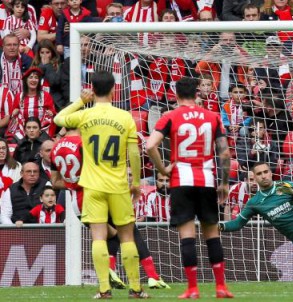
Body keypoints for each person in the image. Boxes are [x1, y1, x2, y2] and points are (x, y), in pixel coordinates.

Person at [53, 71, 147, 299]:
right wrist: (136, 182)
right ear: (114, 89)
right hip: (117, 185)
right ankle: (135, 288)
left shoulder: (85, 115)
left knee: (98, 237)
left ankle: (104, 289)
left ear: (92, 89)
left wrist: (81, 102)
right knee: (126, 236)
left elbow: (58, 119)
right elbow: (133, 152)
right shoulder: (125, 117)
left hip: (92, 186)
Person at [50, 127, 171, 290]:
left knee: (112, 235)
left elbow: (55, 182)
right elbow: (100, 169)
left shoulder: (55, 148)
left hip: (78, 202)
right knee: (127, 231)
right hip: (98, 195)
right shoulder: (83, 143)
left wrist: (74, 183)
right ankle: (148, 278)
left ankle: (111, 275)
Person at [146, 76, 233, 299]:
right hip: (206, 179)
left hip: (181, 181)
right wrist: (223, 183)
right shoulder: (212, 117)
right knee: (212, 234)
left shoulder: (170, 116)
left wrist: (163, 170)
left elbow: (150, 145)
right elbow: (224, 152)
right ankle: (221, 287)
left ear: (175, 95)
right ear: (197, 93)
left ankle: (192, 289)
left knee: (187, 236)